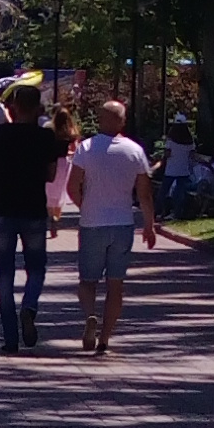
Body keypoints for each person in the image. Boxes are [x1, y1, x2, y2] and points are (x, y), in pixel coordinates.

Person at [67, 96, 158, 354]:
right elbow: (144, 194)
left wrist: (85, 205)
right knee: (115, 285)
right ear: (122, 121)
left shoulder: (86, 148)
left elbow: (72, 186)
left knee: (87, 281)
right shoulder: (135, 151)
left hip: (92, 223)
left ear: (100, 119)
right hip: (123, 223)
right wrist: (149, 225)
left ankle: (90, 315)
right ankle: (105, 339)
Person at [0, 76, 63, 352]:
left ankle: (10, 338)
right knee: (36, 267)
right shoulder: (46, 136)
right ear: (38, 108)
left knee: (4, 274)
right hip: (33, 208)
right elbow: (51, 175)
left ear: (14, 107)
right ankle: (29, 306)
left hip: (4, 207)